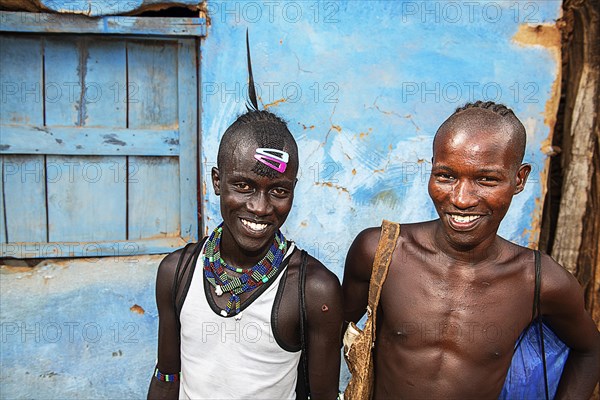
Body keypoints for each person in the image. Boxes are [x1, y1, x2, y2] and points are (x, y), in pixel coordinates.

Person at [342, 101, 600, 399]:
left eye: (486, 179)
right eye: (446, 176)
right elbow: (328, 333)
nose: (462, 199)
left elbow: (590, 350)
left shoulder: (539, 281)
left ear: (519, 179)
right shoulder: (381, 253)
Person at [147, 37, 342, 400]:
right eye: (244, 185)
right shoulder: (177, 272)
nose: (260, 207)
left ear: (293, 189)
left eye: (278, 190)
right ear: (217, 181)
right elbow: (167, 379)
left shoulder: (314, 290)